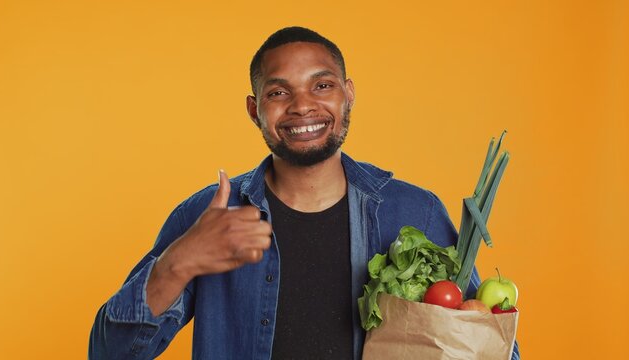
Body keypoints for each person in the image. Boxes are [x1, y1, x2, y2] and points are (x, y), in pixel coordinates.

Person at [89, 26, 520, 360]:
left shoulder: (414, 212)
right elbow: (110, 353)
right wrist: (177, 263)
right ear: (254, 109)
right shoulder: (207, 215)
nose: (301, 105)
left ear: (348, 94)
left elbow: (489, 344)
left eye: (322, 85)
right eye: (278, 92)